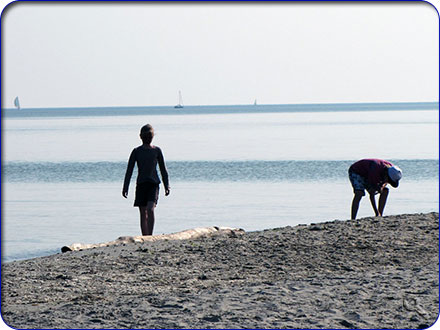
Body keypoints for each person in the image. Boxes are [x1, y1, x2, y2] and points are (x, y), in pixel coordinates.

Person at [122, 124, 170, 235]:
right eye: (145, 136)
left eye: (150, 136)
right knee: (143, 212)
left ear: (152, 136)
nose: (148, 138)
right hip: (141, 184)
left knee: (150, 209)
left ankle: (150, 236)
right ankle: (145, 236)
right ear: (141, 137)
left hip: (153, 184)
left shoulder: (157, 150)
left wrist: (167, 185)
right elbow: (129, 170)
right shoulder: (136, 151)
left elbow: (163, 169)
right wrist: (125, 187)